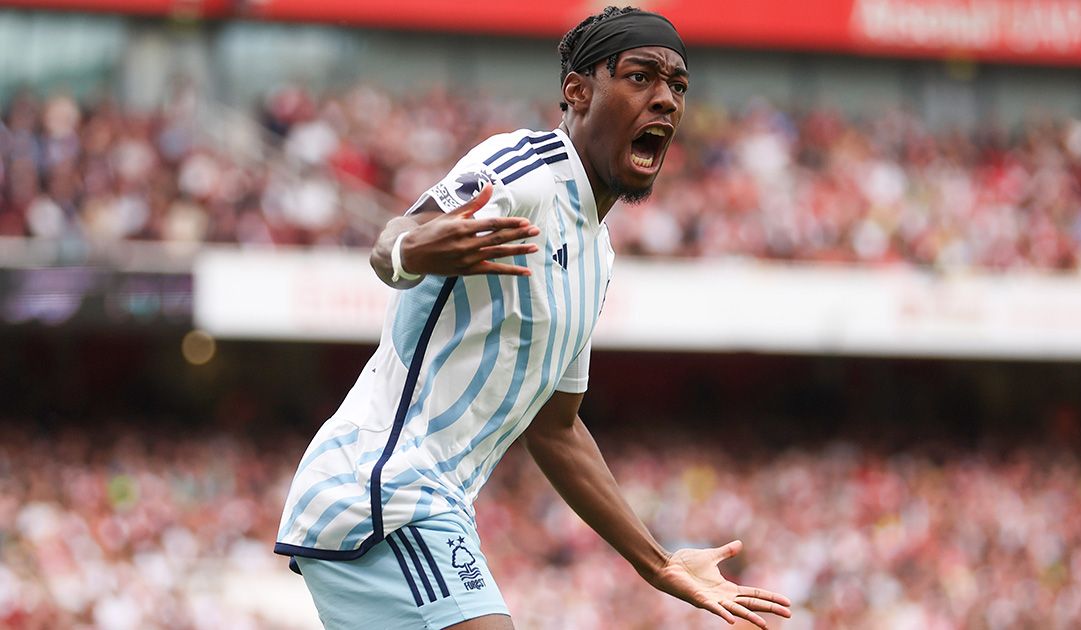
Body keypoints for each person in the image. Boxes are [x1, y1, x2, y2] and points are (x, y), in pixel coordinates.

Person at [275, 7, 792, 629]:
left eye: (677, 87)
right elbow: (394, 239)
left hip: (418, 502)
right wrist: (416, 248)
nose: (665, 100)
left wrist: (658, 565)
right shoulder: (524, 168)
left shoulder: (597, 258)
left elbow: (557, 429)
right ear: (577, 89)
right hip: (385, 489)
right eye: (640, 78)